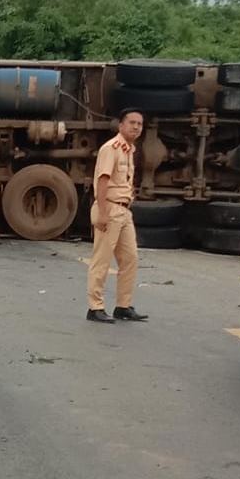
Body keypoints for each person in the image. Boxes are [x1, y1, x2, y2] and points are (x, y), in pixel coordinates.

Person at [86, 108, 149, 324]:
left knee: (130, 259)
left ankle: (123, 306)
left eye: (139, 124)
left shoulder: (129, 150)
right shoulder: (111, 148)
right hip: (110, 208)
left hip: (124, 210)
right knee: (101, 260)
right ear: (120, 125)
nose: (136, 127)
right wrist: (102, 212)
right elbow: (102, 181)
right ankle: (95, 307)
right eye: (131, 122)